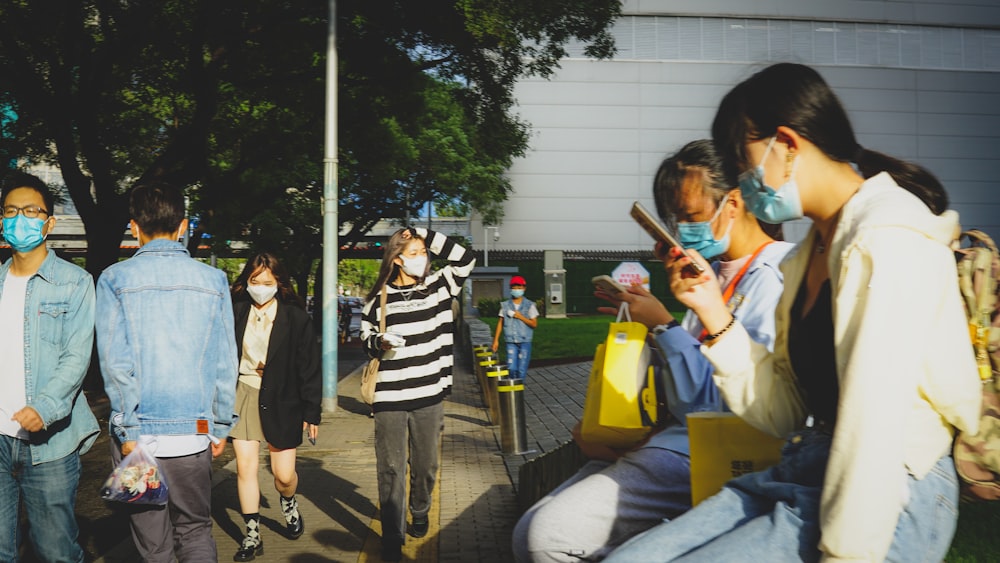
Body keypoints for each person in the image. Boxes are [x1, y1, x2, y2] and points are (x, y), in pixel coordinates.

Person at [605, 63, 982, 563]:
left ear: (786, 143)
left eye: (744, 165)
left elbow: (875, 424)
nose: (742, 185)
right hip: (805, 467)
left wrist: (845, 554)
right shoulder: (812, 253)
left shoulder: (888, 236)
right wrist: (712, 313)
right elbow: (784, 410)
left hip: (888, 488)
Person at [512, 140, 793, 562]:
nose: (683, 231)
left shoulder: (779, 276)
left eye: (692, 216)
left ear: (732, 203)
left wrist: (664, 326)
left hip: (712, 452)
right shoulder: (711, 275)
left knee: (548, 537)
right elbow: (684, 390)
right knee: (528, 532)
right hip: (670, 442)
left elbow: (733, 403)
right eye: (674, 221)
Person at [96, 181, 238, 563]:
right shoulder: (214, 281)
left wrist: (126, 430)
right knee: (195, 529)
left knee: (153, 543)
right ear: (183, 226)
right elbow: (226, 360)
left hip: (139, 439)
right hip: (194, 435)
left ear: (133, 227)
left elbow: (115, 362)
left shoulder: (114, 279)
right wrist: (221, 425)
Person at [0, 173, 100, 563]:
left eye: (29, 211)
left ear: (49, 222)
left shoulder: (74, 283)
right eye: (10, 211)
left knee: (56, 551)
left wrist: (43, 406)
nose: (18, 219)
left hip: (51, 445)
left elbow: (77, 357)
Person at [360, 227, 475, 562]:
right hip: (389, 398)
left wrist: (423, 233)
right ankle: (392, 536)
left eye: (424, 252)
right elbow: (365, 336)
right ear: (397, 260)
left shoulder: (440, 285)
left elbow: (466, 259)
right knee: (391, 467)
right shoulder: (378, 298)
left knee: (425, 465)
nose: (422, 258)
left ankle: (420, 508)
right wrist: (379, 342)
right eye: (414, 253)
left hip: (429, 394)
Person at [229, 252, 321, 562]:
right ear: (247, 282)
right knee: (245, 466)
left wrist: (312, 413)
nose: (260, 287)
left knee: (284, 475)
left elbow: (309, 367)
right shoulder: (236, 311)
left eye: (267, 282)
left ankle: (289, 501)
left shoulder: (296, 318)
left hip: (283, 399)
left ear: (278, 283)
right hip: (243, 393)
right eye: (254, 281)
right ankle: (252, 534)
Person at [492, 275, 539, 379]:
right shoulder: (505, 306)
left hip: (524, 341)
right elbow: (500, 322)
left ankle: (518, 392)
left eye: (519, 287)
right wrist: (496, 340)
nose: (517, 290)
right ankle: (512, 390)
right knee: (511, 368)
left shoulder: (529, 305)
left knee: (521, 370)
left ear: (524, 288)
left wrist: (520, 317)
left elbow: (534, 324)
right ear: (511, 289)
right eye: (514, 288)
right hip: (511, 341)